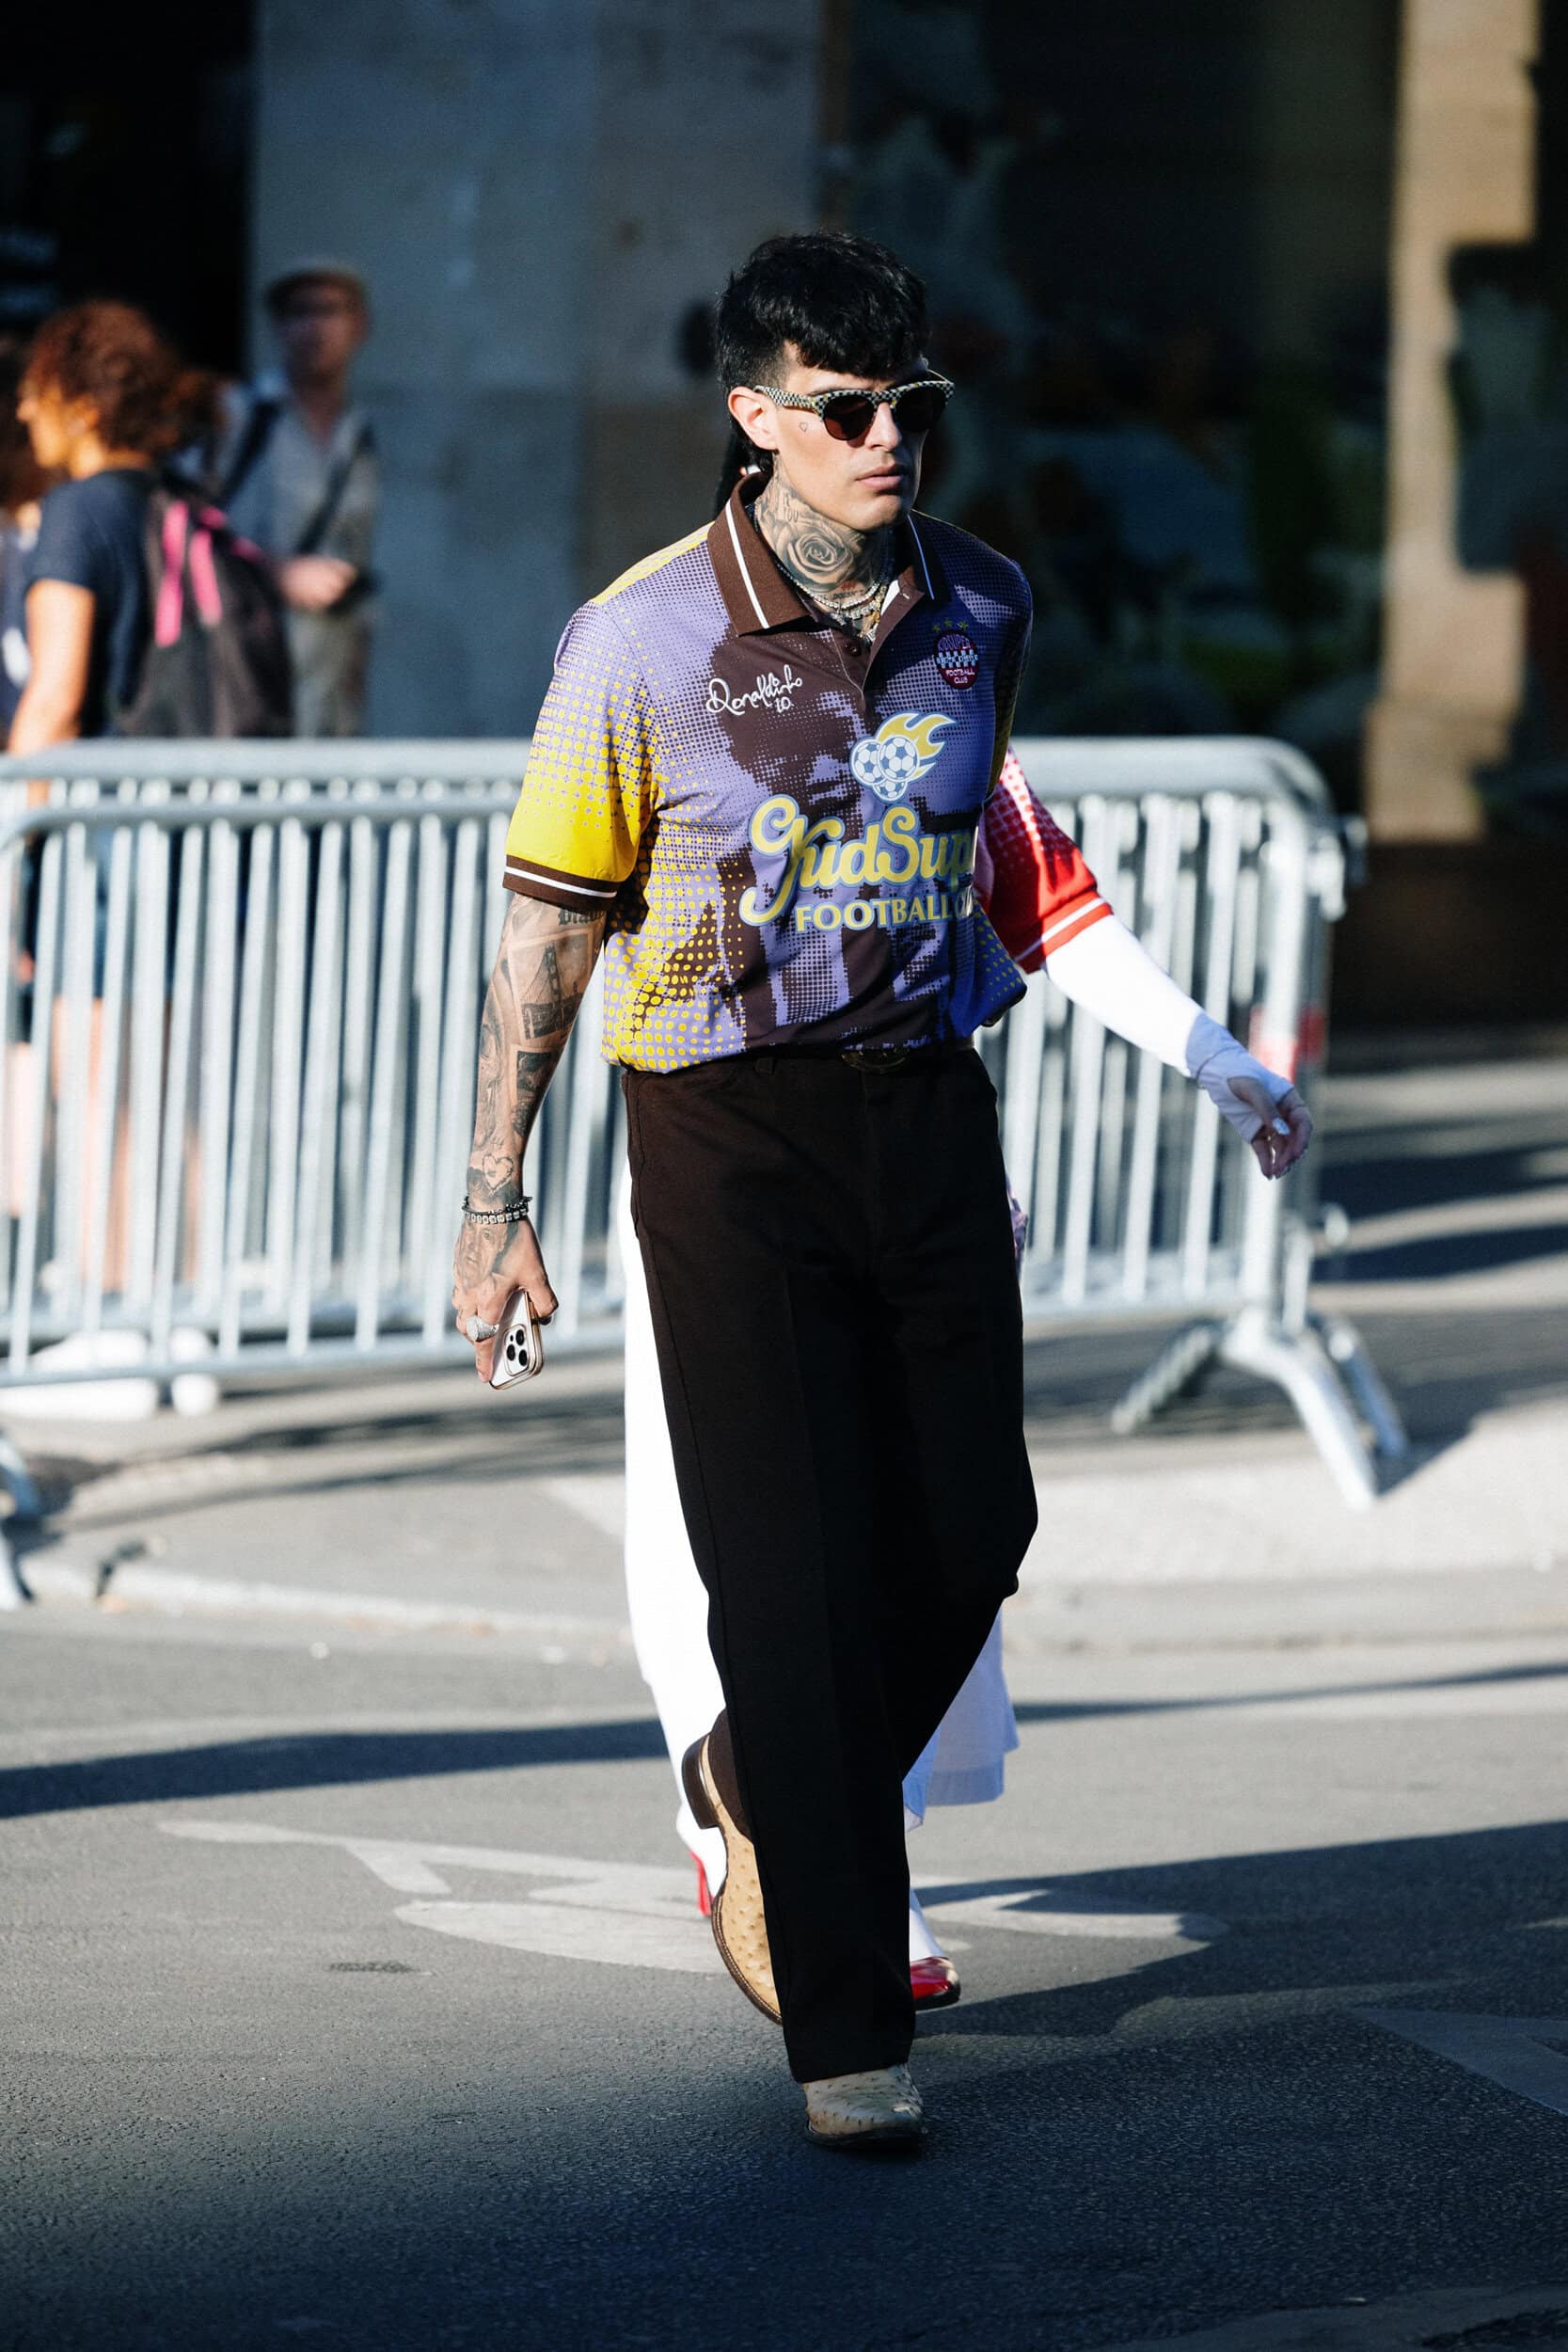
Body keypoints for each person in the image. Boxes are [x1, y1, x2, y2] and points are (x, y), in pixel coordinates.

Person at [452, 232, 1311, 2152]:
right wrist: (491, 1199)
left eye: (906, 404)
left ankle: (755, 1774)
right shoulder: (637, 641)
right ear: (752, 416)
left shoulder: (979, 601)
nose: (884, 438)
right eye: (842, 410)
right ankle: (844, 2034)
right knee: (782, 1573)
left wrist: (1206, 1049)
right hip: (719, 1124)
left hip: (921, 1103)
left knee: (973, 1523)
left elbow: (1014, 854)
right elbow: (547, 929)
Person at [9, 301, 215, 757]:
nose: (25, 411)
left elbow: (54, 704)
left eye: (37, 394)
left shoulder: (77, 510)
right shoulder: (179, 498)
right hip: (180, 783)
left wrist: (20, 801)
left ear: (84, 409)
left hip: (97, 790)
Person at [213, 260, 378, 738]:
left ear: (360, 326)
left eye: (330, 310)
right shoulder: (242, 416)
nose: (314, 327)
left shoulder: (359, 433)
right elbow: (178, 525)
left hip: (328, 679)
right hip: (243, 669)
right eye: (299, 312)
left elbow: (358, 553)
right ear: (277, 327)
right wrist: (274, 571)